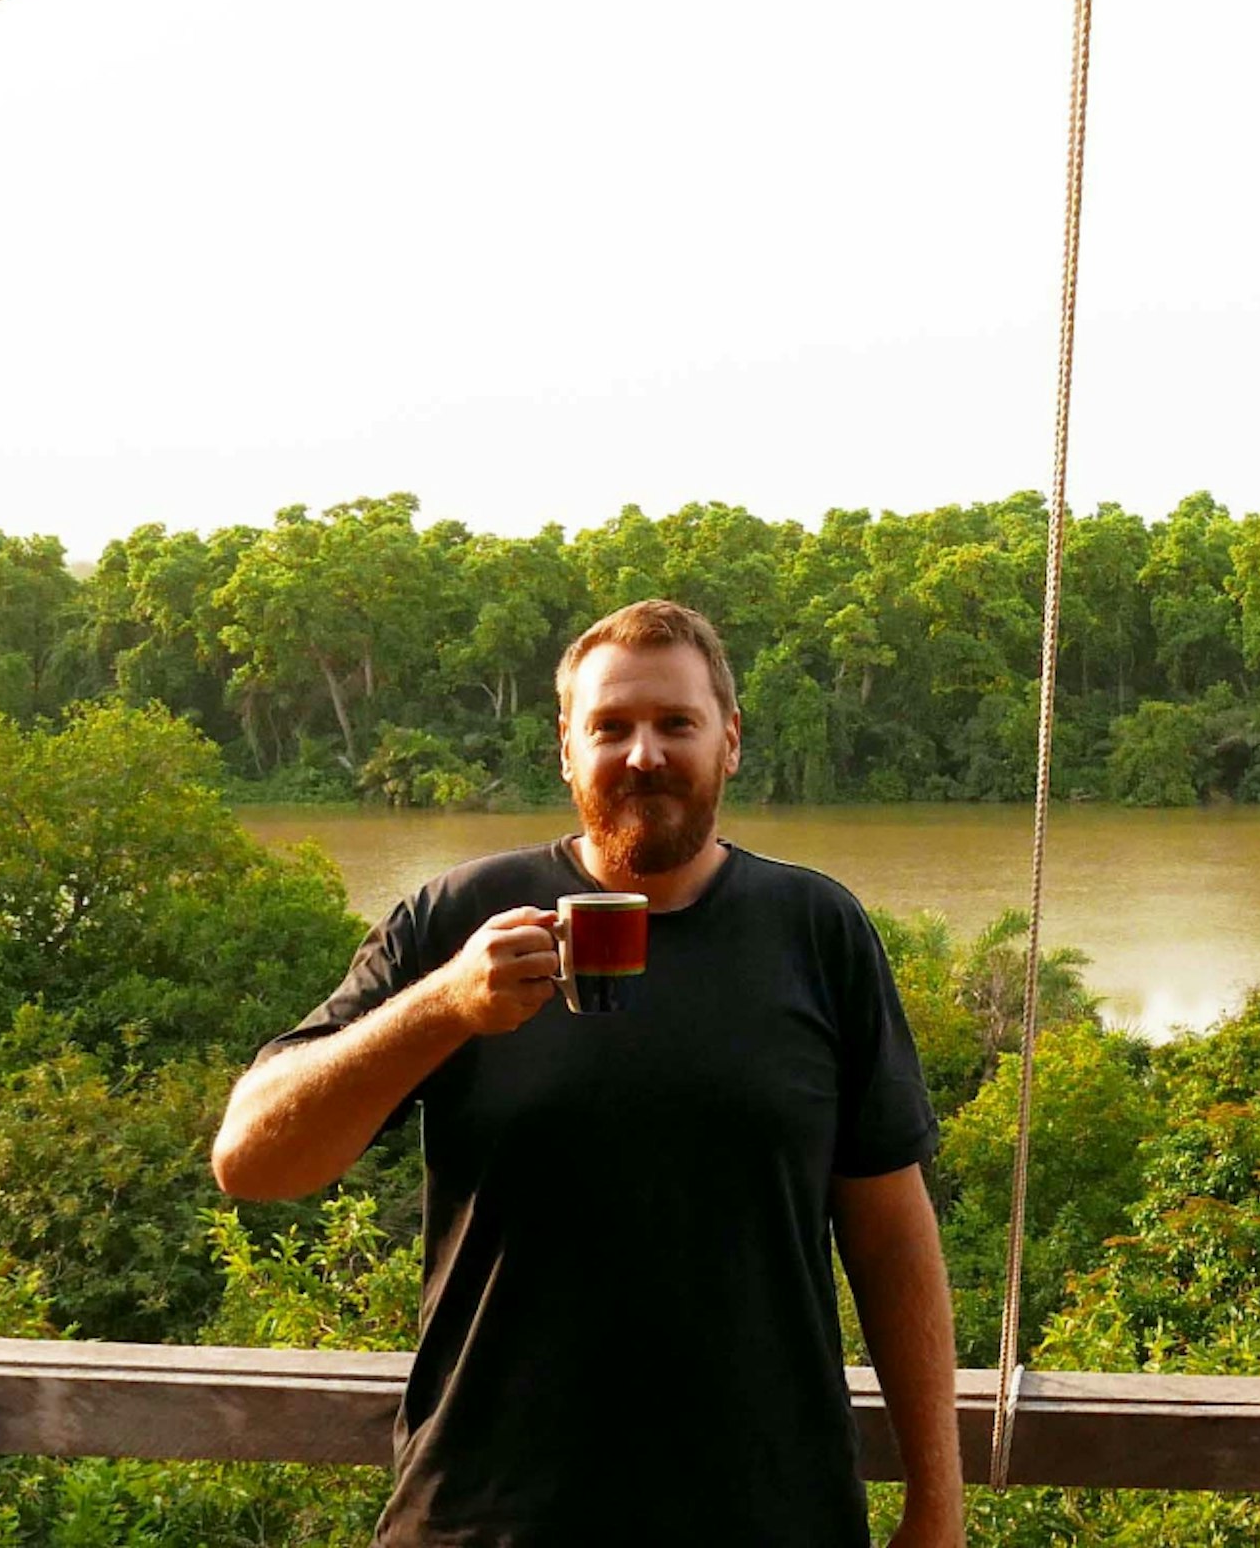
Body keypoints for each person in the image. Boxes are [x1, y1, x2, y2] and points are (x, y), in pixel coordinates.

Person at [213, 599, 962, 1547]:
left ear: (729, 741)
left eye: (675, 723)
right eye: (610, 727)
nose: (644, 753)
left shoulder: (815, 929)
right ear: (565, 751)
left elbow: (891, 1228)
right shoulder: (458, 920)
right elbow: (251, 1158)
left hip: (770, 1515)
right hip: (488, 1517)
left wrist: (937, 1508)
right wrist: (442, 1007)